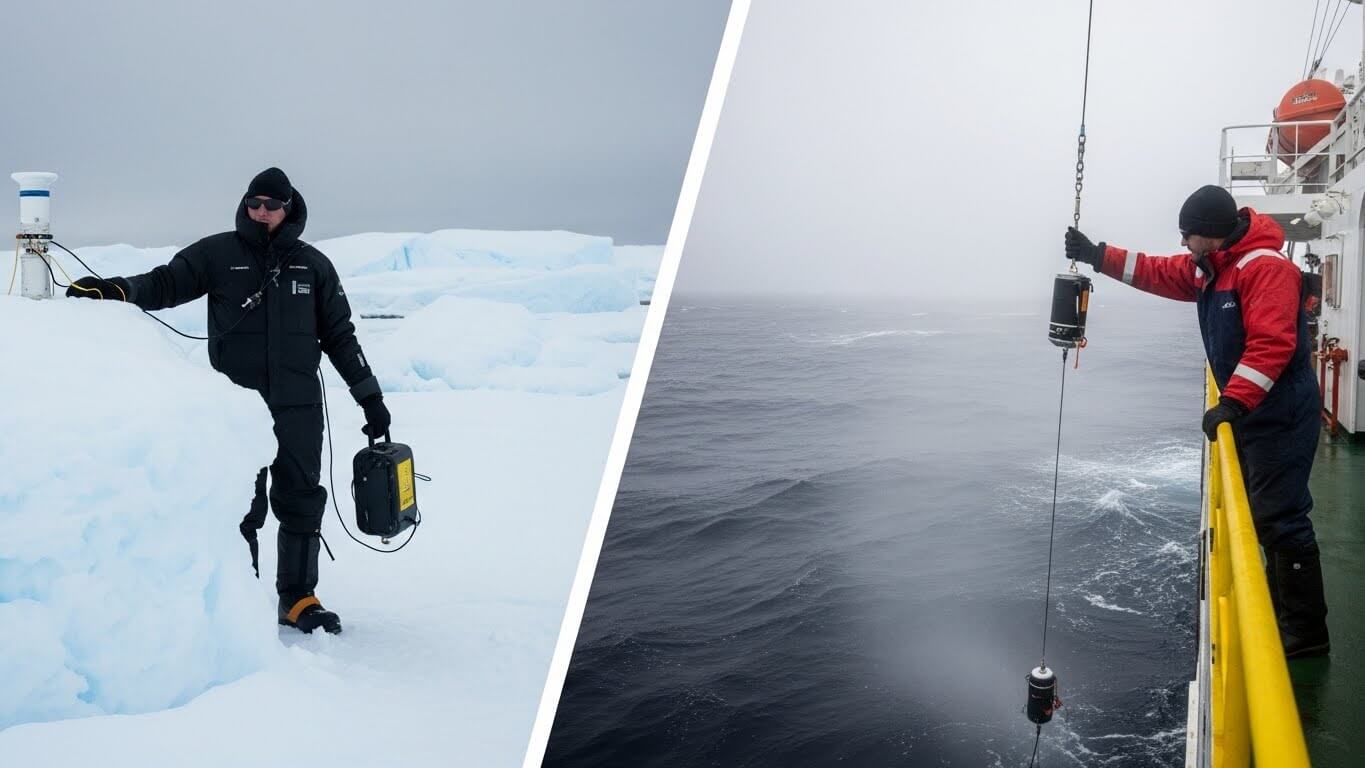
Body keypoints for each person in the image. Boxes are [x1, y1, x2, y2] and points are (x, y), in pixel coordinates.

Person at [66, 167, 390, 635]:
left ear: (289, 208)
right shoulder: (217, 254)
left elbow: (340, 336)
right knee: (242, 504)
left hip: (298, 407)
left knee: (300, 499)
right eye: (254, 203)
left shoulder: (312, 265)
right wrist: (119, 289)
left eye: (271, 206)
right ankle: (238, 602)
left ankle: (298, 598)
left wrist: (370, 398)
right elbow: (164, 283)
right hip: (237, 407)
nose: (261, 213)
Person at [1064, 184, 1330, 658]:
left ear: (1209, 235)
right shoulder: (1214, 268)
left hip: (1280, 413)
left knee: (1283, 518)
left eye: (1188, 236)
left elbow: (1272, 346)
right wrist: (1095, 255)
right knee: (1262, 514)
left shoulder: (1263, 268)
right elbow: (1155, 271)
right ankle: (1277, 604)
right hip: (1255, 410)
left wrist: (1233, 403)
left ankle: (1305, 637)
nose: (1183, 245)